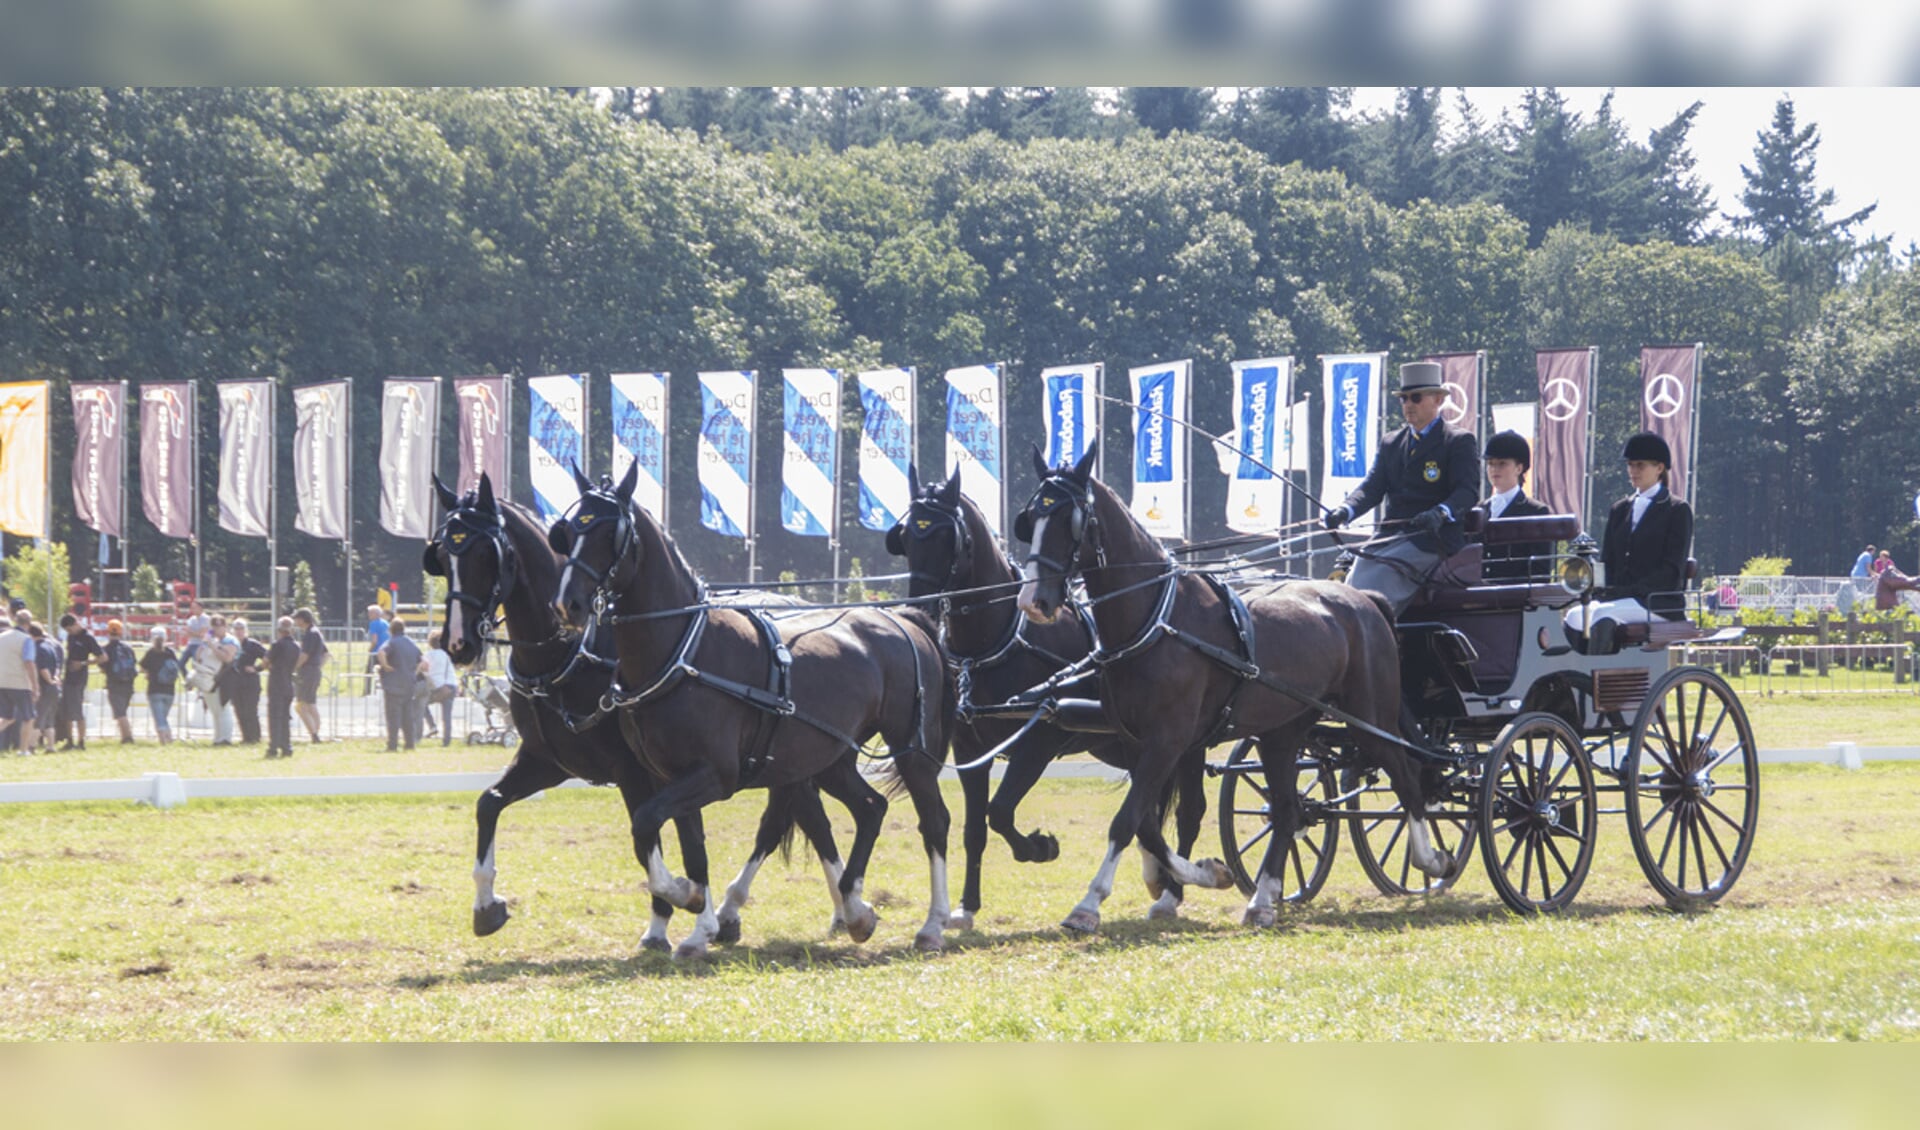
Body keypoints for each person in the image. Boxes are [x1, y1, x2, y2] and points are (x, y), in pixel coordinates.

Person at [1323, 360, 1481, 616]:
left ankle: (1372, 638)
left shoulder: (1458, 441)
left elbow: (1467, 492)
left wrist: (1440, 513)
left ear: (1438, 400)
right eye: (1404, 398)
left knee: (1379, 581)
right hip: (1391, 536)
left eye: (1416, 398)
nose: (1408, 404)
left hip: (1432, 540)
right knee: (1355, 576)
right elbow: (1372, 487)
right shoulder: (1391, 442)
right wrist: (1345, 510)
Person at [1565, 432, 1695, 654]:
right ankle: (1579, 678)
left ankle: (1600, 674)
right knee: (1575, 616)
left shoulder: (1677, 510)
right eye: (1630, 465)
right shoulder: (1619, 510)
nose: (1633, 471)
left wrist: (1630, 591)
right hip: (1622, 599)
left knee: (1600, 615)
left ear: (1659, 468)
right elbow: (1609, 561)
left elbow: (1671, 568)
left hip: (1657, 602)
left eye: (1640, 465)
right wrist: (1600, 589)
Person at [1476, 429, 1554, 582]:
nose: (1494, 469)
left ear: (1519, 468)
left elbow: (1540, 569)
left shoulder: (1536, 511)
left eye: (1502, 464)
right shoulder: (1480, 509)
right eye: (1490, 463)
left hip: (1517, 598)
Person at [187, 613, 237, 745]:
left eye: (219, 626)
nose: (216, 629)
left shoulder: (229, 640)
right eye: (213, 626)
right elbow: (198, 655)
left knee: (223, 709)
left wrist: (213, 646)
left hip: (224, 678)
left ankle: (225, 738)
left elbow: (227, 658)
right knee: (214, 709)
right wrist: (205, 643)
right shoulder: (209, 640)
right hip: (208, 677)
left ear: (225, 626)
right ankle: (218, 738)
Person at [375, 616, 424, 751]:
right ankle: (410, 744)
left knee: (393, 717)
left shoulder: (392, 642)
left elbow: (381, 652)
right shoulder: (411, 643)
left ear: (391, 629)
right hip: (409, 683)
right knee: (407, 716)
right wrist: (415, 672)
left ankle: (392, 745)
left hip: (393, 684)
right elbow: (423, 661)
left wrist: (385, 666)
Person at [58, 613, 100, 750]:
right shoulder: (71, 637)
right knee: (66, 710)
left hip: (79, 678)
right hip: (68, 677)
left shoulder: (88, 638)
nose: (69, 632)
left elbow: (102, 657)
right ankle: (69, 740)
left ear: (76, 624)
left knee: (77, 710)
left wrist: (82, 663)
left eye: (70, 629)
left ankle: (81, 742)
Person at [0, 611, 37, 753]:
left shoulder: (1, 637)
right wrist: (35, 685)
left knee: (7, 717)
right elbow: (29, 663)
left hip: (2, 681)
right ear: (28, 623)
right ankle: (23, 750)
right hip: (19, 682)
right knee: (29, 717)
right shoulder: (26, 639)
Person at [226, 618, 267, 747]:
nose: (239, 632)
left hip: (250, 681)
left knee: (250, 710)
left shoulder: (253, 644)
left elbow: (268, 657)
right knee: (239, 710)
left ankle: (255, 737)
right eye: (236, 629)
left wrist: (257, 668)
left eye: (241, 629)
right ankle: (245, 737)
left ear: (246, 631)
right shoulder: (229, 644)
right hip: (235, 681)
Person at [264, 616, 301, 759]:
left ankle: (273, 747)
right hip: (288, 683)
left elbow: (266, 661)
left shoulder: (277, 645)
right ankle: (287, 746)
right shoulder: (296, 646)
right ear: (291, 630)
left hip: (276, 683)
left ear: (279, 630)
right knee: (285, 716)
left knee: (275, 717)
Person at [98, 619, 139, 744]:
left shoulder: (106, 649)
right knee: (122, 711)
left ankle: (128, 738)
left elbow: (103, 666)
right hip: (129, 684)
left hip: (114, 683)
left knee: (120, 713)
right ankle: (124, 736)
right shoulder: (127, 648)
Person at [292, 607, 327, 743]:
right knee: (310, 703)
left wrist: (293, 668)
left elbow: (304, 655)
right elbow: (326, 654)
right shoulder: (316, 632)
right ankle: (315, 733)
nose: (295, 621)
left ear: (302, 619)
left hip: (307, 671)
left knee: (301, 705)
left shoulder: (310, 634)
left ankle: (314, 734)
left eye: (296, 618)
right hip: (314, 671)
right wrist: (317, 666)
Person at [141, 626, 180, 745]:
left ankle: (164, 741)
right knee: (163, 716)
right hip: (170, 691)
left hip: (155, 690)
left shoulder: (150, 653)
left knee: (159, 718)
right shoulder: (171, 652)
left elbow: (143, 668)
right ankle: (169, 739)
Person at [420, 629, 459, 745]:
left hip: (437, 688)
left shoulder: (428, 655)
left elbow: (424, 668)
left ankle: (432, 726)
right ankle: (446, 741)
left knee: (422, 704)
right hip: (451, 686)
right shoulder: (448, 655)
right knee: (447, 716)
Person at [30, 622, 62, 750]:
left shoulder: (37, 649)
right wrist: (55, 678)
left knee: (39, 718)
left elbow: (43, 669)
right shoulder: (50, 646)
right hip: (55, 686)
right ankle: (50, 746)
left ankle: (31, 746)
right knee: (49, 718)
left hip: (45, 686)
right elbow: (57, 665)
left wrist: (48, 680)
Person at [363, 605, 390, 696]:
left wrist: (370, 649)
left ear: (376, 614)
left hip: (376, 651)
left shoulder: (374, 623)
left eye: (370, 613)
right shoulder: (386, 623)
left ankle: (367, 691)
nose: (368, 615)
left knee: (369, 671)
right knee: (385, 670)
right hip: (386, 651)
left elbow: (374, 640)